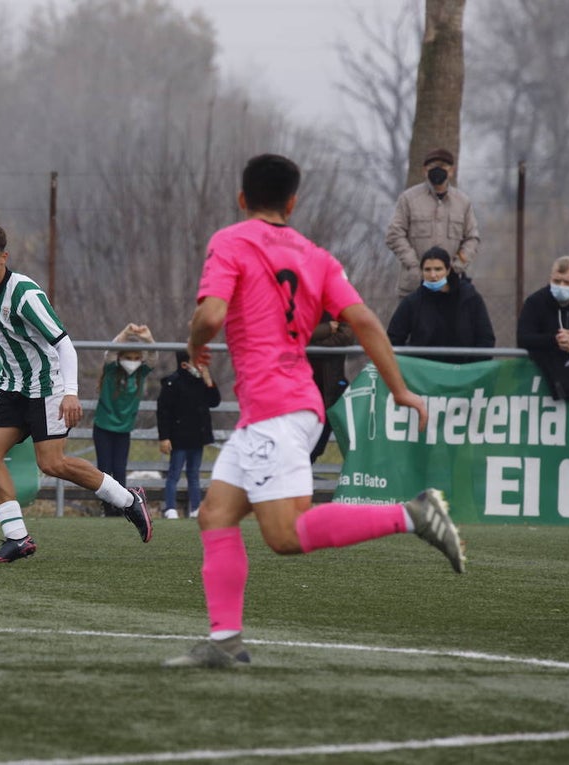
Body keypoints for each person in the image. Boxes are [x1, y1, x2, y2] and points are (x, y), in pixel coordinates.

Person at [164, 154, 465, 670]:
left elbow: (210, 315)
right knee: (215, 514)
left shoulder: (231, 240)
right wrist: (399, 390)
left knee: (285, 535)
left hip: (276, 411)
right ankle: (225, 642)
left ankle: (413, 515)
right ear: (293, 202)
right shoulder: (316, 256)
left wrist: (194, 344)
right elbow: (366, 322)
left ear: (242, 199)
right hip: (287, 405)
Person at [0, 223, 153, 563]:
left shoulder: (25, 294)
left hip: (47, 387)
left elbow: (65, 345)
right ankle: (18, 538)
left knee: (52, 463)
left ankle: (129, 500)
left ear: (4, 257)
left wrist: (70, 393)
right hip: (11, 386)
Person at [386, 148, 481, 299]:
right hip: (414, 287)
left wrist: (456, 266)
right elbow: (394, 235)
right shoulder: (408, 199)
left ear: (451, 171)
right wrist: (415, 265)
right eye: (433, 166)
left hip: (451, 288)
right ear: (425, 171)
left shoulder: (463, 202)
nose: (438, 170)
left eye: (443, 166)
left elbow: (472, 238)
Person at [385, 246, 495, 364]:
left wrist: (473, 368)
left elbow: (486, 338)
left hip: (463, 369)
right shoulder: (412, 302)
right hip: (423, 370)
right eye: (427, 270)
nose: (433, 275)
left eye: (438, 269)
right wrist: (410, 365)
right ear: (422, 272)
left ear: (448, 270)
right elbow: (393, 339)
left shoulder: (470, 298)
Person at [517, 255, 569, 407]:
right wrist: (556, 340)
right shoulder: (535, 302)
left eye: (567, 282)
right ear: (550, 279)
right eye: (556, 281)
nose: (561, 286)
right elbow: (523, 338)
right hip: (550, 376)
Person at [93, 323, 156, 516]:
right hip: (104, 427)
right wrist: (125, 333)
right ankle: (106, 508)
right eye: (128, 358)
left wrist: (148, 339)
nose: (132, 362)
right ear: (121, 358)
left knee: (120, 469)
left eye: (137, 358)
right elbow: (110, 352)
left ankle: (121, 508)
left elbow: (153, 357)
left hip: (124, 430)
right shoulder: (112, 370)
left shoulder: (140, 375)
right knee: (105, 469)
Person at [156, 350, 219, 520]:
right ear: (184, 364)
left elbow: (214, 401)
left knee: (194, 473)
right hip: (178, 438)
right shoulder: (172, 383)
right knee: (174, 473)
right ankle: (170, 508)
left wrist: (208, 380)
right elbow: (163, 412)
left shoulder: (201, 382)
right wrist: (164, 437)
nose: (200, 366)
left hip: (197, 437)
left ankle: (196, 508)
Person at [308, 312, 355, 462]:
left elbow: (346, 336)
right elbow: (287, 333)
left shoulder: (336, 304)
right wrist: (326, 329)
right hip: (299, 389)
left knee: (318, 446)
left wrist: (307, 343)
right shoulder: (294, 302)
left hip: (330, 389)